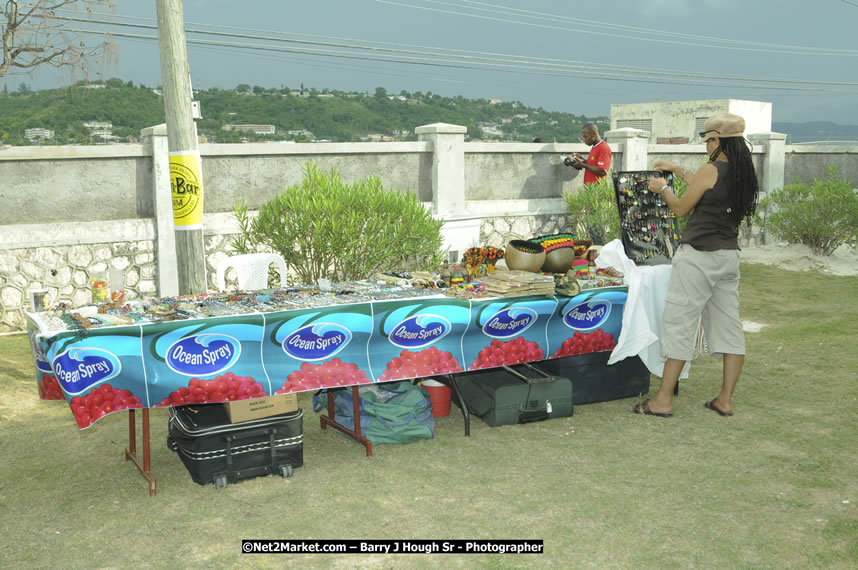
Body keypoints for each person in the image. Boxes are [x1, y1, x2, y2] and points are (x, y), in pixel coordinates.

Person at [632, 112, 759, 418]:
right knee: (729, 328)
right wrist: (677, 170)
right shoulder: (744, 173)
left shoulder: (711, 169)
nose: (705, 145)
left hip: (698, 257)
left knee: (679, 324)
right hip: (728, 257)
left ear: (716, 140)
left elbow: (679, 207)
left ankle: (662, 400)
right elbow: (702, 187)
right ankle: (725, 400)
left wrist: (661, 187)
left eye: (706, 139)